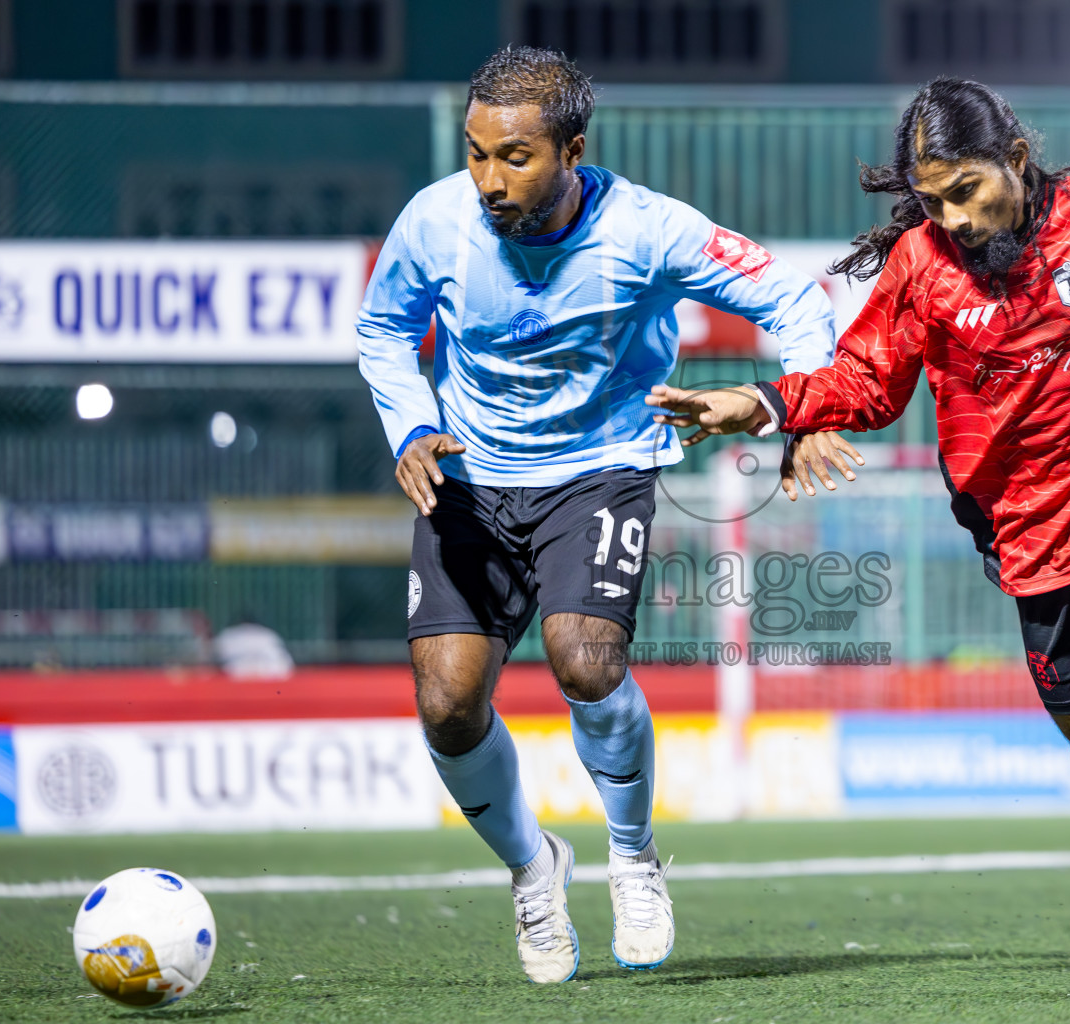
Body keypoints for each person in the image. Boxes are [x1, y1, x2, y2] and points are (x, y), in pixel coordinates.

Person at [647, 77, 1070, 980]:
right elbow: (867, 382)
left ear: (1015, 158)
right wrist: (760, 401)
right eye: (932, 202)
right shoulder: (921, 270)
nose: (954, 218)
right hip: (1025, 532)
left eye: (967, 191)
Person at [358, 46, 836, 984]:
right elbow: (382, 330)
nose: (488, 180)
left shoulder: (649, 229)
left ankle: (633, 855)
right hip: (469, 475)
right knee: (450, 705)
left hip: (601, 470)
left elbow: (791, 298)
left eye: (515, 157)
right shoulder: (434, 221)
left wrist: (797, 406)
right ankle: (535, 871)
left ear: (573, 148)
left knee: (586, 661)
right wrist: (411, 423)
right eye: (475, 152)